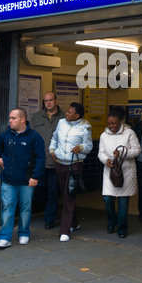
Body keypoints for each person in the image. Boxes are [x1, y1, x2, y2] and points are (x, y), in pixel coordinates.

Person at [0, 108, 45, 249]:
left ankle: (24, 233)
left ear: (22, 120)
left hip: (27, 181)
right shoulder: (5, 136)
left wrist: (35, 176)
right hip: (8, 180)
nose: (10, 120)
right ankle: (4, 238)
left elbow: (41, 158)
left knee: (25, 209)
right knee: (7, 208)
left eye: (13, 118)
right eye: (10, 118)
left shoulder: (34, 137)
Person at [49, 102, 93, 242]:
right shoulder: (61, 123)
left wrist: (80, 147)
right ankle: (74, 223)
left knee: (68, 197)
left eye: (69, 112)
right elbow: (55, 137)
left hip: (74, 165)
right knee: (66, 195)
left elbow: (89, 146)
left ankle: (65, 230)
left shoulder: (85, 127)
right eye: (67, 111)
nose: (66, 113)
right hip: (60, 163)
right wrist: (52, 150)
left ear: (77, 115)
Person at [98, 109, 141, 238]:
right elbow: (100, 153)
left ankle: (122, 228)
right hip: (110, 171)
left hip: (126, 172)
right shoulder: (103, 135)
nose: (111, 126)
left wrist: (123, 153)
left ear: (120, 122)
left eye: (114, 123)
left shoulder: (129, 133)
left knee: (123, 201)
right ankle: (111, 221)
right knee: (107, 199)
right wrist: (106, 160)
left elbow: (137, 150)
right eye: (109, 124)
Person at [30, 92, 65, 230]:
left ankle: (49, 219)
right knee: (40, 189)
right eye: (46, 101)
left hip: (56, 161)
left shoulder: (64, 117)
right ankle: (43, 212)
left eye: (51, 100)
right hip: (39, 161)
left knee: (53, 191)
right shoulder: (37, 117)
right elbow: (31, 137)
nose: (48, 103)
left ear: (56, 100)